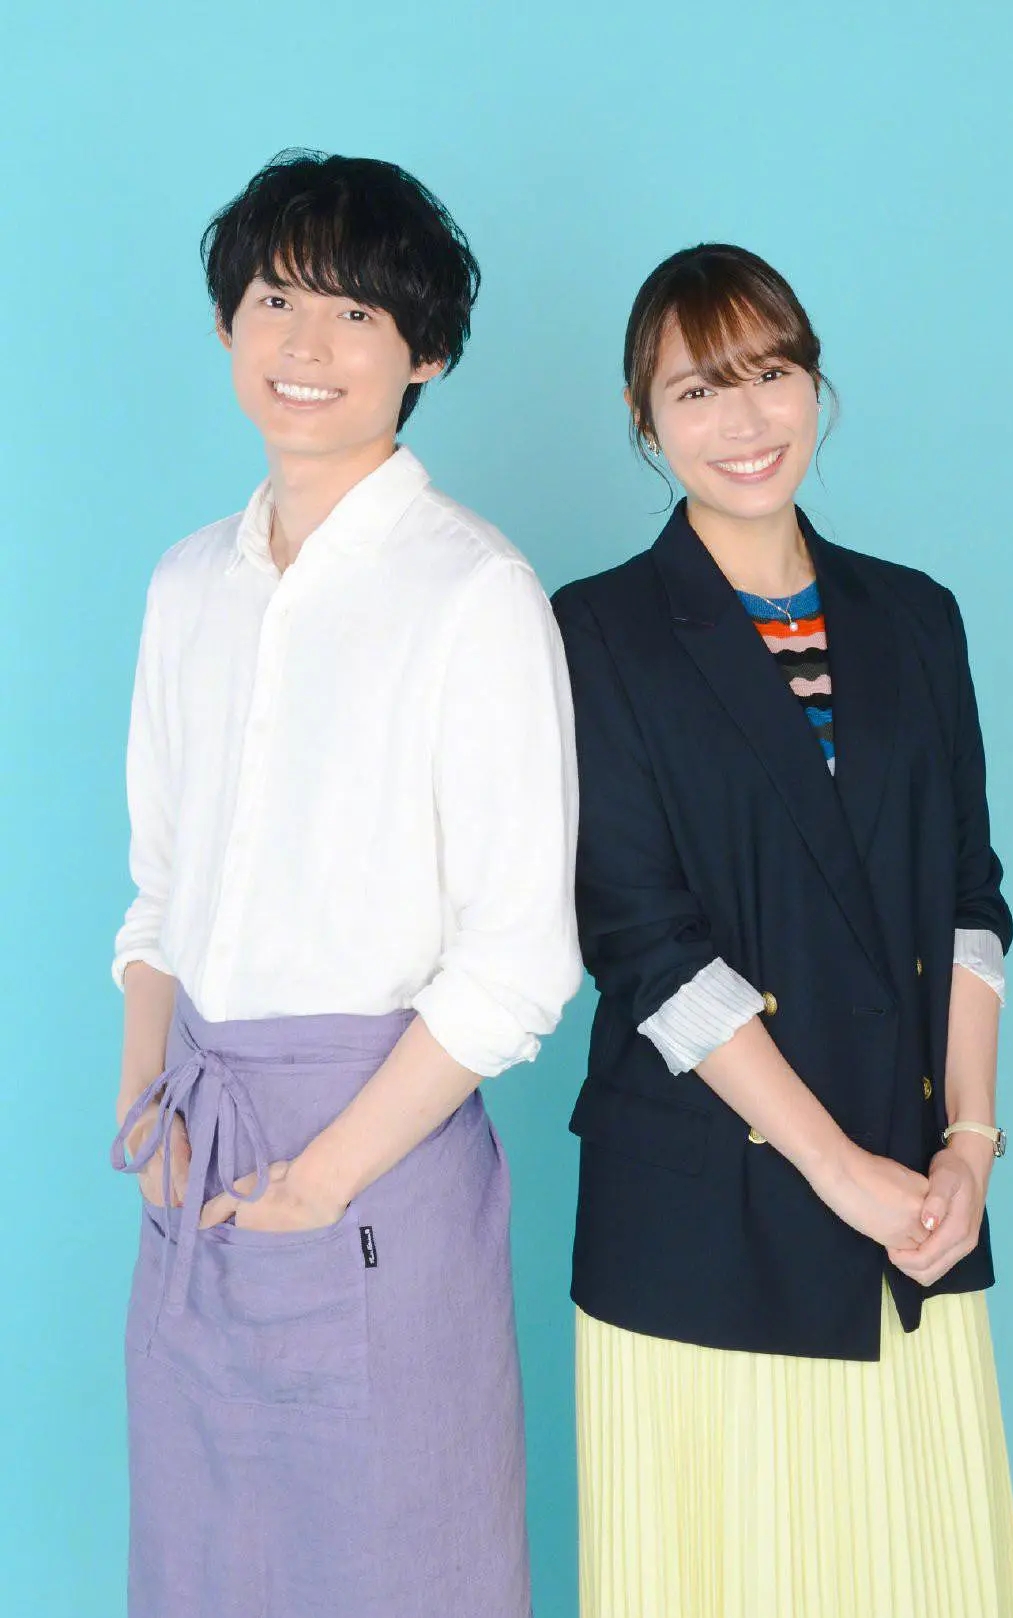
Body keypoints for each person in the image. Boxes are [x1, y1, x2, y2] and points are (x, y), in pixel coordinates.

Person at [110, 149, 581, 1618]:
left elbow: (520, 959)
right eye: (275, 300)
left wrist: (321, 1178)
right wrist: (145, 1101)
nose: (305, 345)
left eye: (355, 313)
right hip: (198, 1141)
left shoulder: (472, 590)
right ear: (225, 325)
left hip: (380, 1151)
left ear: (423, 352)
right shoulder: (188, 582)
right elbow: (158, 887)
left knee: (402, 1561)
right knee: (203, 1565)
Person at [552, 243, 1013, 1618]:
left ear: (817, 385)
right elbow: (645, 946)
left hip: (916, 1204)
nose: (745, 419)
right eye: (699, 389)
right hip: (704, 1209)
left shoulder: (916, 615)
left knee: (918, 1570)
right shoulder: (594, 632)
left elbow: (970, 899)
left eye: (770, 374)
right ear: (646, 418)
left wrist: (968, 1146)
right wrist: (841, 1172)